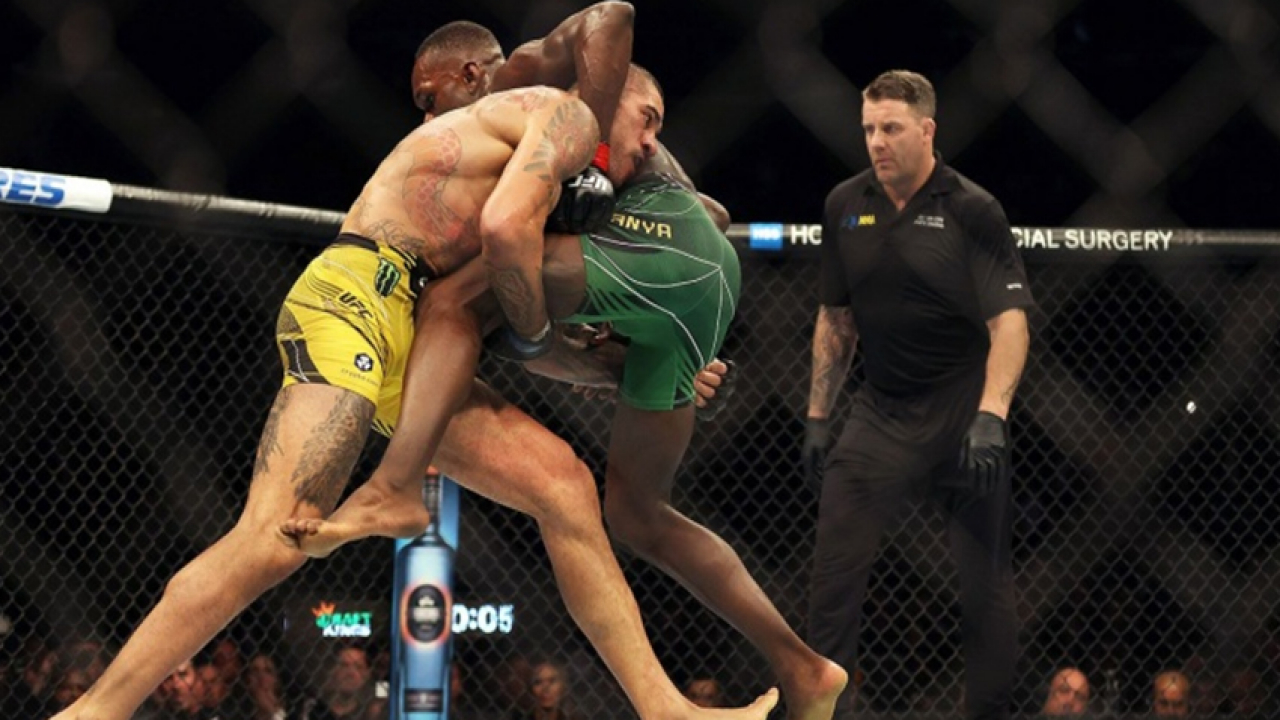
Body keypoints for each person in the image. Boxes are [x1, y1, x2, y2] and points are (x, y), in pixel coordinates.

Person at [51, 69, 774, 720]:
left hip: (420, 337)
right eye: (646, 119)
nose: (651, 143)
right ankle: (94, 712)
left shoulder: (560, 172)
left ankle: (663, 708)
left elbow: (679, 228)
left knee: (565, 486)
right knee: (274, 538)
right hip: (358, 297)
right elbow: (531, 297)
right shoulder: (549, 123)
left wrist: (633, 366)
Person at [291, 18, 845, 720]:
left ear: (470, 77)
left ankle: (396, 484)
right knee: (636, 513)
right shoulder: (508, 163)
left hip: (673, 258)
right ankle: (805, 668)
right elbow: (704, 219)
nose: (429, 125)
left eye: (431, 101)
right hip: (680, 293)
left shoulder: (539, 91)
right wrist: (622, 352)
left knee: (456, 300)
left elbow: (614, 21)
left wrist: (601, 164)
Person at [802, 69, 1034, 720]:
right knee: (832, 573)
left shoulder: (972, 209)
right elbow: (836, 319)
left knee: (984, 583)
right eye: (869, 129)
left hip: (962, 412)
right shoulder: (844, 204)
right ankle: (824, 711)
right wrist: (817, 416)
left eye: (891, 128)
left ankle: (989, 714)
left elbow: (1009, 322)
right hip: (881, 410)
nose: (877, 141)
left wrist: (992, 415)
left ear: (927, 130)